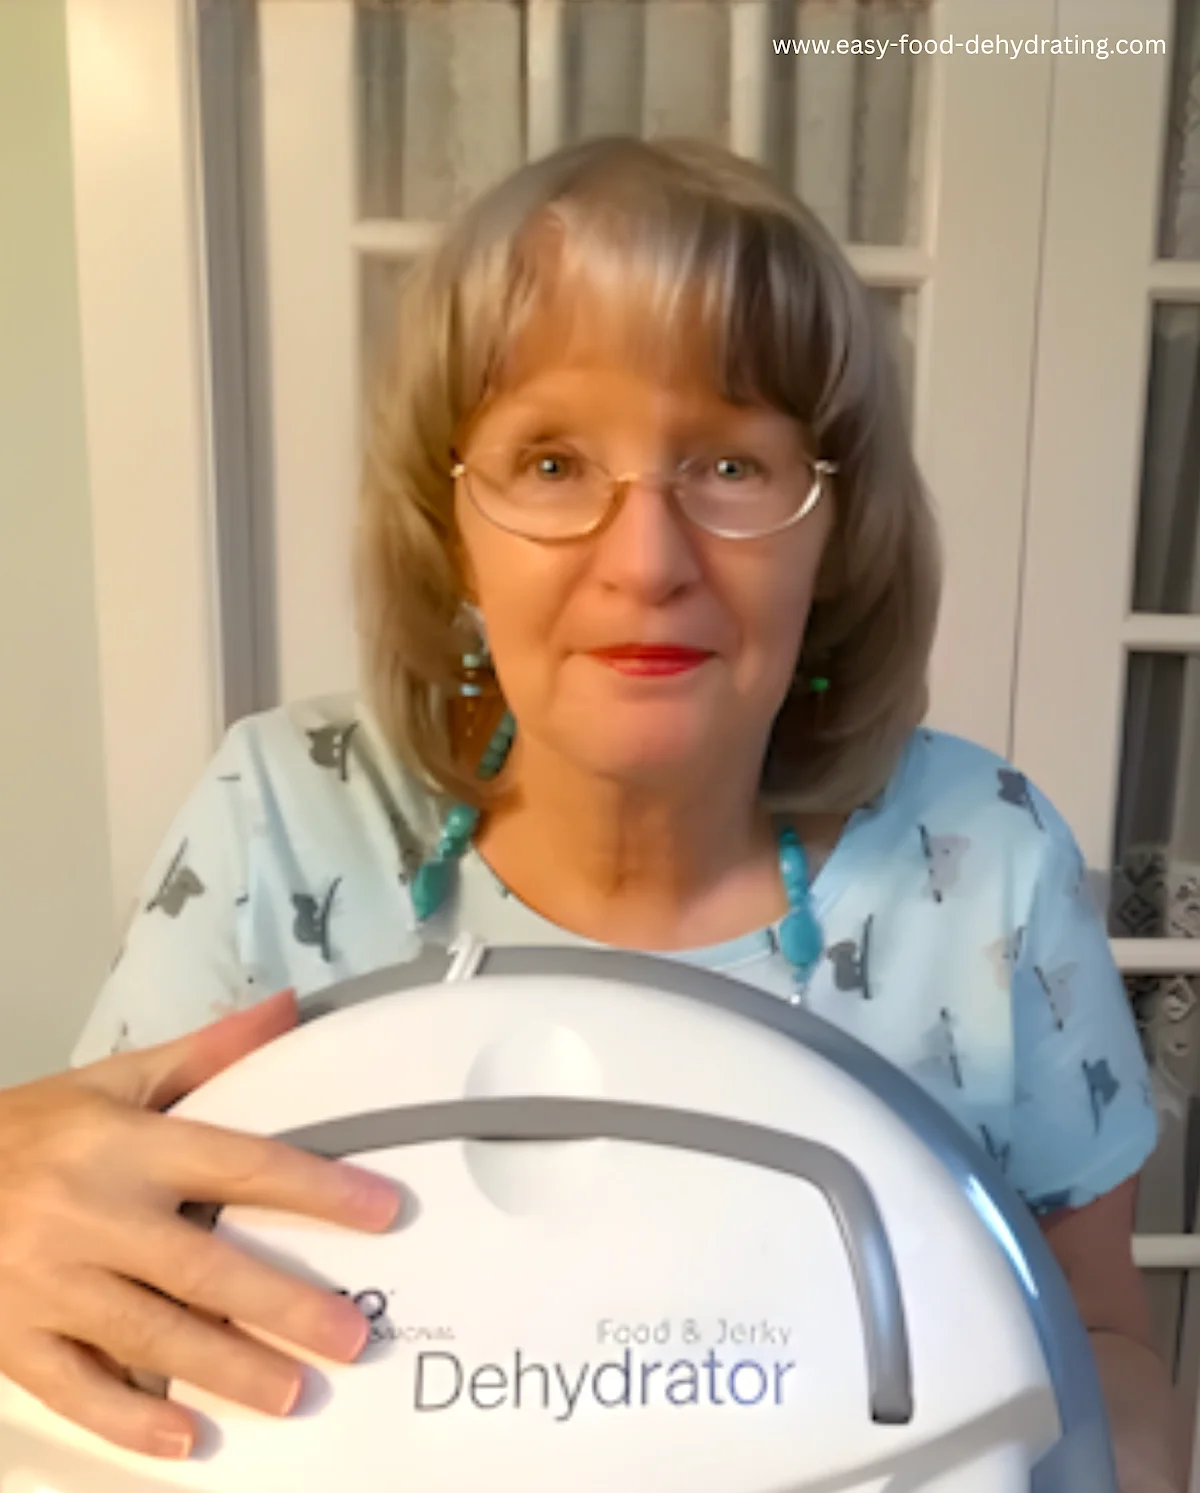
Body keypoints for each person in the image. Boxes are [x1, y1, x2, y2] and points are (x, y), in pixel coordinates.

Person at [0, 136, 1183, 1490]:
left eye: (732, 465)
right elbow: (87, 1285)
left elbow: (1099, 1337)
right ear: (450, 529)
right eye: (553, 462)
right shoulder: (280, 821)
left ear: (836, 532)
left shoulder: (984, 869)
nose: (647, 561)